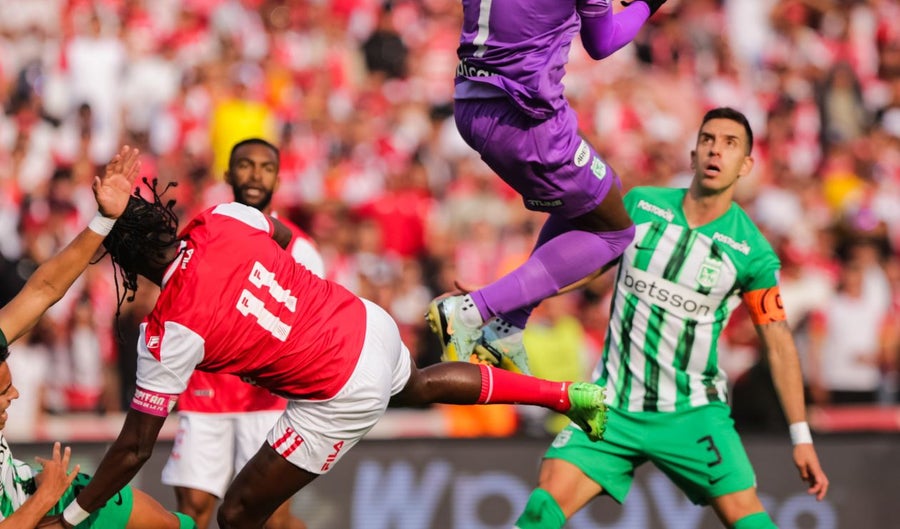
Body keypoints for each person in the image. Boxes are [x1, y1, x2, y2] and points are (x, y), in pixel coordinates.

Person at [42, 177, 610, 529]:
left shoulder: (168, 331)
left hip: (339, 388)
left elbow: (134, 449)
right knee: (417, 383)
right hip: (362, 320)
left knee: (237, 515)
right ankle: (563, 395)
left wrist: (72, 517)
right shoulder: (221, 218)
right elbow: (285, 240)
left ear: (127, 265)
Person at [513, 107, 830, 529]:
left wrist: (801, 436)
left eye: (730, 144)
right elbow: (585, 267)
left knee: (748, 519)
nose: (716, 150)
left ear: (746, 165)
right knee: (542, 507)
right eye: (708, 140)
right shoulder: (641, 206)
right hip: (611, 407)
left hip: (691, 413)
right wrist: (502, 296)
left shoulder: (751, 251)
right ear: (694, 154)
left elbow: (779, 343)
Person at [427, 0, 668, 375]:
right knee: (615, 232)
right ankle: (473, 310)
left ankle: (509, 324)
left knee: (601, 193)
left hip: (472, 103)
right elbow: (602, 42)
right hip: (524, 121)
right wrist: (647, 5)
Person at [0, 146, 195, 529]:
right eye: (3, 390)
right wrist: (45, 498)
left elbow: (44, 288)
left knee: (165, 523)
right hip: (23, 510)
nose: (15, 394)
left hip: (22, 488)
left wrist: (105, 219)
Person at [161, 138, 319, 529]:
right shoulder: (204, 233)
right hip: (205, 392)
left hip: (267, 401)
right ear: (229, 174)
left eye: (266, 168)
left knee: (271, 519)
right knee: (192, 510)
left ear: (277, 180)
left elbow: (310, 326)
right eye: (246, 165)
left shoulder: (301, 249)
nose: (255, 175)